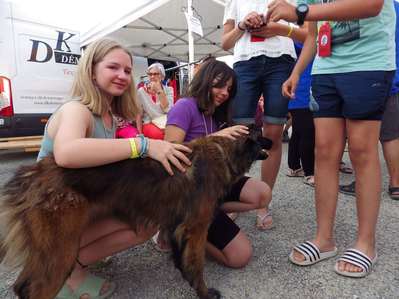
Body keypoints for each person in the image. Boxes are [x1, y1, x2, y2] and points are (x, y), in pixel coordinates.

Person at [37, 38, 191, 298]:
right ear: (91, 70)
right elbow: (67, 152)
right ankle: (63, 274)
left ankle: (72, 261)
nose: (122, 75)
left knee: (147, 221)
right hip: (50, 213)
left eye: (128, 71)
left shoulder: (111, 114)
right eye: (113, 67)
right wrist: (142, 146)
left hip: (80, 204)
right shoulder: (77, 109)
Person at [267, 0, 395, 277]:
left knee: (362, 150)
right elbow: (314, 34)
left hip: (367, 63)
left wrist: (300, 12)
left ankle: (366, 243)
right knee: (323, 151)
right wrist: (297, 71)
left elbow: (372, 5)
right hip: (326, 69)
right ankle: (324, 238)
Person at [154, 59, 272, 268]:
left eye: (229, 89)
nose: (225, 92)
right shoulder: (185, 106)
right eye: (219, 85)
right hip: (187, 192)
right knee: (240, 256)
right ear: (205, 80)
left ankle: (189, 222)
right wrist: (217, 137)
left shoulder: (217, 114)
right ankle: (176, 228)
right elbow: (169, 155)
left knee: (262, 193)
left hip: (211, 187)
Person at [221, 1, 308, 221]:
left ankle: (263, 201)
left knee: (273, 134)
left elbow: (308, 35)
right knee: (238, 135)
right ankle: (235, 195)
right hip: (245, 62)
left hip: (281, 61)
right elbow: (225, 42)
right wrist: (242, 24)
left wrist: (280, 28)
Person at [339, 0, 399, 201]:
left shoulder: (370, 7)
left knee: (364, 139)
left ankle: (362, 181)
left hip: (370, 73)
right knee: (390, 135)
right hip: (391, 77)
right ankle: (395, 184)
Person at [286, 42, 315, 187]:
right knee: (307, 134)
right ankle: (310, 172)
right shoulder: (299, 41)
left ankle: (294, 167)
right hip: (303, 94)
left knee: (298, 132)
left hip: (299, 94)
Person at [137, 62, 174, 140]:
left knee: (176, 133)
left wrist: (159, 90)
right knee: (160, 135)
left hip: (165, 121)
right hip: (149, 122)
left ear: (162, 76)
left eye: (156, 74)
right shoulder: (141, 91)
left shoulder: (169, 90)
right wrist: (140, 134)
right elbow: (139, 115)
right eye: (150, 74)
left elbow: (167, 109)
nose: (152, 76)